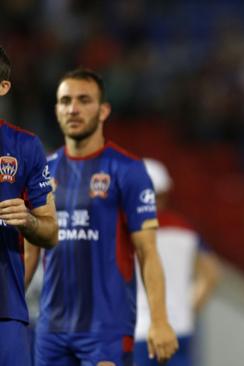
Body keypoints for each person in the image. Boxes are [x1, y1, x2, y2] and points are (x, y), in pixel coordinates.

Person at [24, 69, 178, 366]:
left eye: (84, 100)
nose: (73, 109)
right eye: (65, 101)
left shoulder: (128, 170)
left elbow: (148, 252)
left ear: (103, 110)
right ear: (56, 109)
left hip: (106, 327)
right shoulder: (43, 171)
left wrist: (159, 320)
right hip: (50, 328)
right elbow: (31, 251)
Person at [0, 46, 58, 366]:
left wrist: (28, 222)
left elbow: (49, 232)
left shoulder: (24, 146)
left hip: (6, 315)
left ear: (3, 87)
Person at [134, 158, 220, 366]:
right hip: (179, 328)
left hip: (137, 331)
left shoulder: (123, 229)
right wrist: (188, 307)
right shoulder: (186, 229)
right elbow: (211, 273)